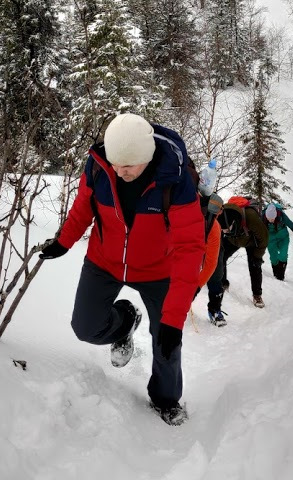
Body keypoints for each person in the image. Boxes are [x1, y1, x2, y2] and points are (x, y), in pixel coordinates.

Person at [38, 113, 205, 426]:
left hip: (159, 270)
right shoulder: (100, 167)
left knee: (166, 340)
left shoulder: (174, 181)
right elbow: (83, 207)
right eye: (116, 163)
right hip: (105, 261)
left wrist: (173, 320)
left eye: (129, 165)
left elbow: (190, 249)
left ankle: (165, 399)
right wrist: (63, 242)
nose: (120, 171)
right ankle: (125, 320)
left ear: (147, 157)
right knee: (84, 328)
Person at [217, 198, 269, 308]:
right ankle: (223, 283)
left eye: (227, 230)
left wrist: (258, 256)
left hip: (250, 240)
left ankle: (257, 295)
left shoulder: (251, 217)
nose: (225, 231)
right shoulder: (221, 216)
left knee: (255, 265)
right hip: (234, 239)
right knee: (221, 256)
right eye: (224, 230)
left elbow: (264, 238)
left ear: (234, 223)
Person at [196, 193, 228, 326]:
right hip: (192, 247)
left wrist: (195, 288)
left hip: (210, 247)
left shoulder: (215, 228)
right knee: (216, 276)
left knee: (215, 274)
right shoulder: (192, 216)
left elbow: (210, 264)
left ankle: (215, 309)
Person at [262, 202, 293, 280]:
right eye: (269, 218)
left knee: (283, 256)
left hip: (283, 237)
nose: (271, 220)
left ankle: (281, 277)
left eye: (272, 218)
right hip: (271, 239)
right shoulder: (262, 217)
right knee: (273, 258)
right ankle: (275, 276)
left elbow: (292, 226)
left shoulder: (281, 215)